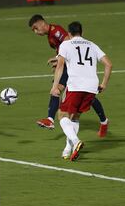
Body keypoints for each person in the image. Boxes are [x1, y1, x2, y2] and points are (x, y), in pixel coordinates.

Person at [28, 14, 109, 137]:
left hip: (73, 67)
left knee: (86, 95)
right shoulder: (50, 36)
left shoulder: (56, 31)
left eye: (35, 28)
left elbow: (68, 42)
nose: (35, 32)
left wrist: (58, 59)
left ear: (42, 24)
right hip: (67, 65)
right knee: (59, 90)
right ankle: (50, 119)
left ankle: (104, 121)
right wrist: (60, 60)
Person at [51, 21, 112, 161]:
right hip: (91, 87)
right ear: (82, 33)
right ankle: (68, 149)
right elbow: (109, 64)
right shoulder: (92, 45)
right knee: (75, 116)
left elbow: (60, 67)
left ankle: (76, 141)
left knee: (62, 115)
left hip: (76, 85)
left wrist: (55, 86)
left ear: (69, 34)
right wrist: (103, 84)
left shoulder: (65, 44)